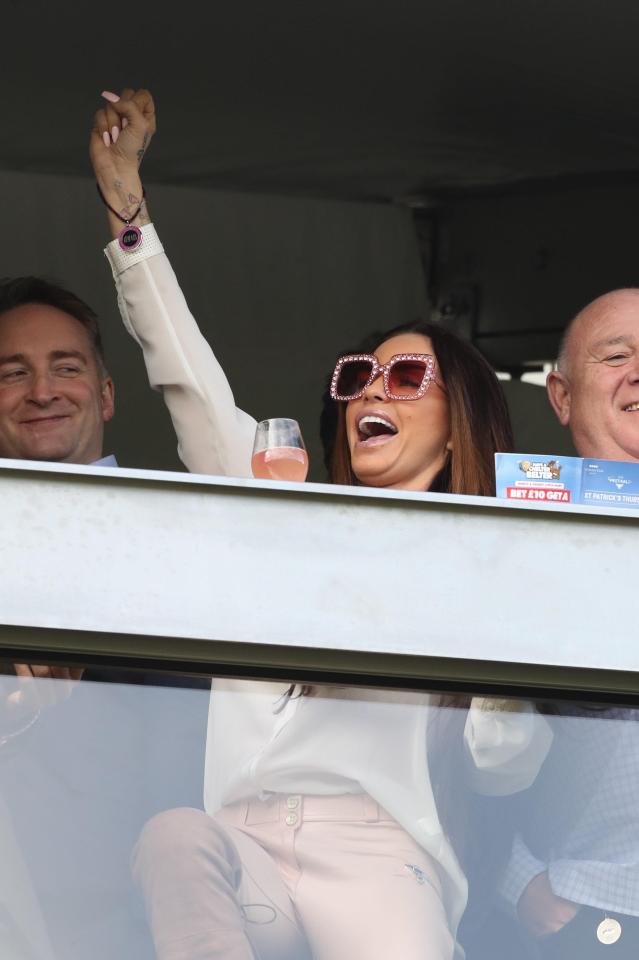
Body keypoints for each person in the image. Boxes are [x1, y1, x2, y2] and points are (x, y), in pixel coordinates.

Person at [90, 88, 554, 960]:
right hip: (244, 843)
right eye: (359, 378)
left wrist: (496, 654)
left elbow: (507, 765)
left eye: (406, 379)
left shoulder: (486, 561)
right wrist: (126, 208)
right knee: (172, 837)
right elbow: (189, 383)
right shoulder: (281, 503)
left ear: (458, 420)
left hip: (378, 853)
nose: (373, 391)